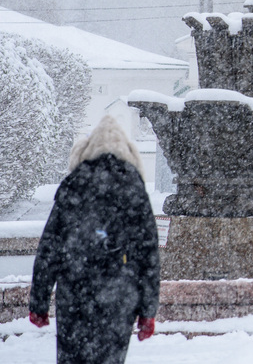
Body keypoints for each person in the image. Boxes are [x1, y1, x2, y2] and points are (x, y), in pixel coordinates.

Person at [29, 115, 160, 364]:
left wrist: (39, 303)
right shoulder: (133, 187)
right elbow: (148, 255)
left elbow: (50, 248)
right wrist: (147, 311)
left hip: (75, 292)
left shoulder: (73, 185)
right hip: (120, 296)